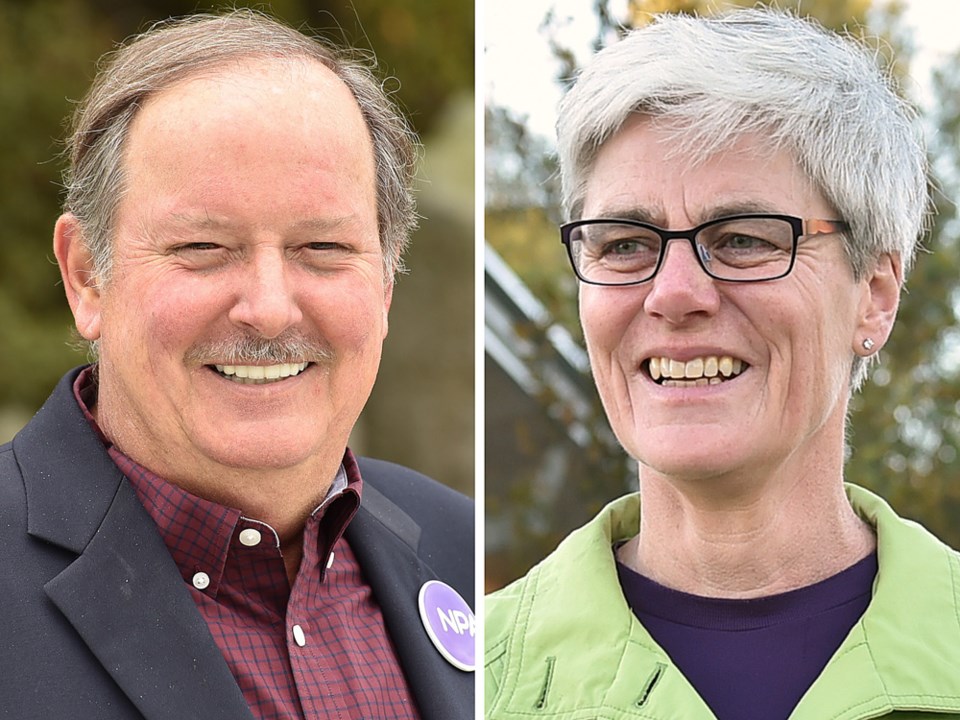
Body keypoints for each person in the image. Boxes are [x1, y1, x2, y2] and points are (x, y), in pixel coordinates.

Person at [485, 8, 960, 720]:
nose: (673, 294)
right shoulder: (469, 677)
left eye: (742, 239)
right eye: (623, 244)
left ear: (875, 298)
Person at [0, 9, 473, 720]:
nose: (270, 309)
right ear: (86, 276)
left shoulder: (460, 544)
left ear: (385, 282)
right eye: (202, 248)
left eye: (323, 248)